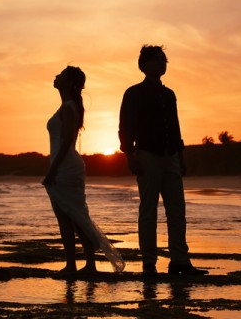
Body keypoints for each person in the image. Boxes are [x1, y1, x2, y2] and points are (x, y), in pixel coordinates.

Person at [118, 45, 205, 276]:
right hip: (147, 155)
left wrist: (180, 157)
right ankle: (149, 263)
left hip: (170, 155)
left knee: (177, 211)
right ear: (144, 65)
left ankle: (180, 260)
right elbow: (126, 128)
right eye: (157, 59)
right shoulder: (133, 93)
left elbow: (175, 128)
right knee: (148, 211)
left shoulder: (169, 94)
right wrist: (130, 155)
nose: (162, 63)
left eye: (164, 59)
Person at [42, 65, 124, 277]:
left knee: (70, 216)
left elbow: (68, 141)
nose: (56, 76)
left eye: (60, 75)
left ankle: (76, 265)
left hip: (66, 167)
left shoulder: (69, 107)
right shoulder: (67, 106)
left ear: (69, 83)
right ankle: (85, 264)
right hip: (65, 166)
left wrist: (53, 170)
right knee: (74, 216)